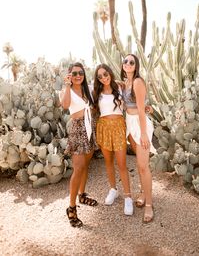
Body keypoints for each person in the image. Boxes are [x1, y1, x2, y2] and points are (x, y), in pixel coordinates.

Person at [59, 62, 98, 228]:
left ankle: (82, 194)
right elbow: (65, 105)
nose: (77, 76)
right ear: (69, 75)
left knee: (86, 164)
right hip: (77, 129)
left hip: (89, 126)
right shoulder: (66, 90)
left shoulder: (87, 88)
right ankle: (72, 207)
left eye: (80, 73)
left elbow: (100, 92)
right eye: (74, 73)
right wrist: (67, 85)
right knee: (79, 167)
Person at [93, 63, 133, 216]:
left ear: (110, 73)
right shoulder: (96, 92)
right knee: (108, 161)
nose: (104, 78)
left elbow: (133, 95)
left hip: (118, 127)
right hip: (103, 127)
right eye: (100, 76)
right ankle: (113, 189)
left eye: (105, 74)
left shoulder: (120, 87)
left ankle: (128, 197)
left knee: (122, 164)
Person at [121, 54, 155, 223]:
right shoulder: (125, 82)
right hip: (130, 123)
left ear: (136, 65)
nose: (128, 64)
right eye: (125, 61)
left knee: (143, 166)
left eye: (131, 62)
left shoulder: (137, 82)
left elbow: (141, 110)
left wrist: (143, 133)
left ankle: (149, 205)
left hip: (139, 125)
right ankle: (143, 192)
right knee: (139, 163)